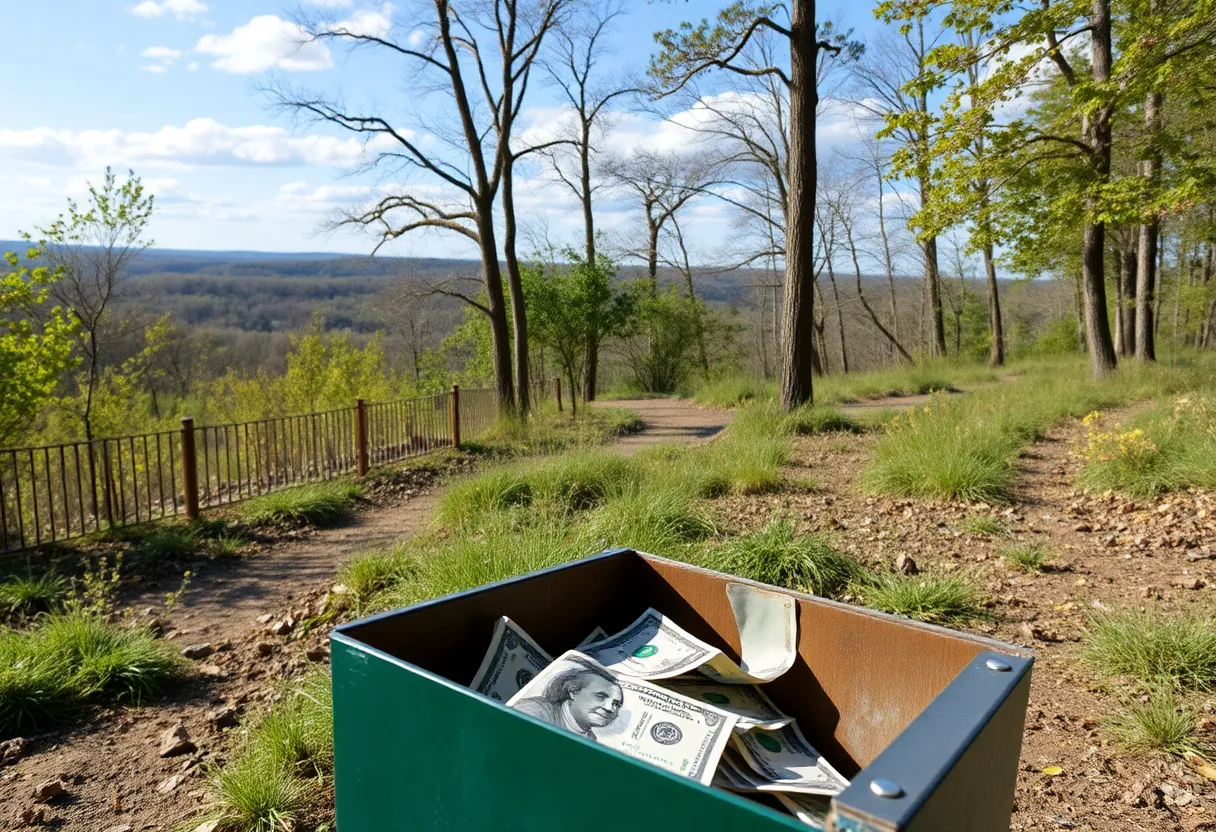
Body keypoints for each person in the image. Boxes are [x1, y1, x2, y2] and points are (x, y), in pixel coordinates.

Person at [514, 660, 623, 741]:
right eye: (600, 696)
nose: (610, 708)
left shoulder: (591, 740)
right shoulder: (534, 710)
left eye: (616, 704)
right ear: (573, 691)